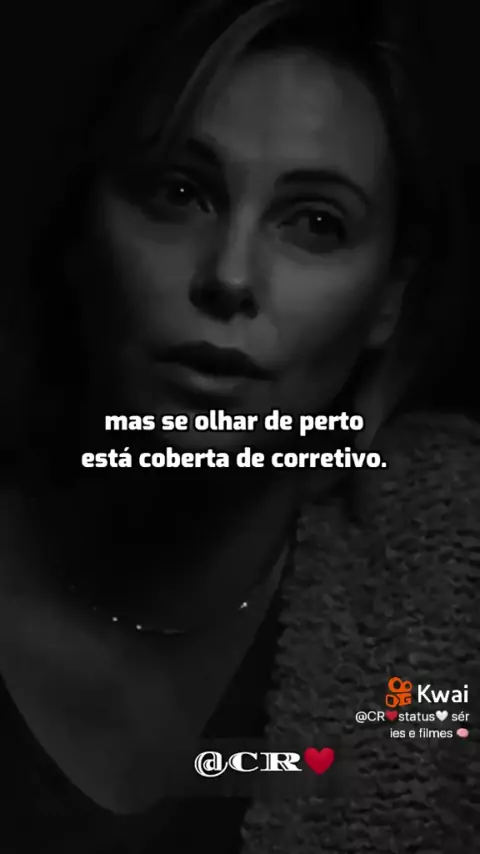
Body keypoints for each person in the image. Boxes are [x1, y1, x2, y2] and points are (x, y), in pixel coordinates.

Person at [0, 0, 478, 852]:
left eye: (317, 223)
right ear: (79, 231)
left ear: (390, 298)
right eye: (180, 193)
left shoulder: (447, 598)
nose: (229, 276)